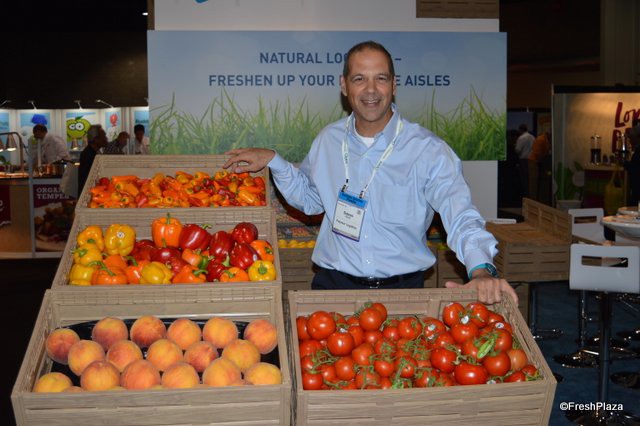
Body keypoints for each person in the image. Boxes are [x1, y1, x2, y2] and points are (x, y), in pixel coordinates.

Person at [223, 41, 517, 305]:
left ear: (394, 85)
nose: (371, 89)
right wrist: (275, 161)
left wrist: (481, 269)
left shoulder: (428, 150)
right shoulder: (328, 141)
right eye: (359, 79)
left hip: (403, 294)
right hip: (333, 289)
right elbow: (311, 200)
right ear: (344, 85)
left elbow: (461, 214)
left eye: (381, 78)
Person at [78, 125, 108, 194]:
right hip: (88, 194)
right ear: (95, 139)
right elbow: (89, 179)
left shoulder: (93, 152)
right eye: (103, 136)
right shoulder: (88, 155)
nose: (106, 138)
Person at [527, 130, 551, 202]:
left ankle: (539, 200)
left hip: (539, 162)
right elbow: (538, 154)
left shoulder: (545, 139)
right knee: (534, 182)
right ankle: (533, 201)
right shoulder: (541, 139)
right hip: (534, 162)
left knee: (538, 182)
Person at [514, 124, 535, 198]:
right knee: (530, 178)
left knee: (524, 179)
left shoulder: (521, 138)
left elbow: (517, 150)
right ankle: (531, 195)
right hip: (532, 160)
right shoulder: (532, 137)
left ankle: (525, 196)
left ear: (520, 130)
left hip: (523, 160)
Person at [624, 118, 640, 205]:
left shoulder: (638, 151)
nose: (630, 141)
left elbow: (634, 168)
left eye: (631, 138)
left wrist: (624, 163)